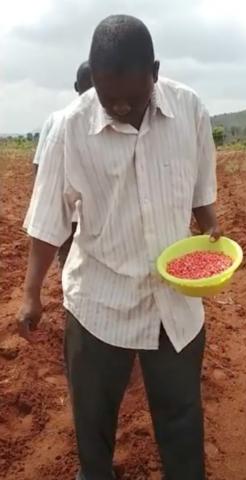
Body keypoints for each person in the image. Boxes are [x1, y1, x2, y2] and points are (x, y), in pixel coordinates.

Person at [18, 15, 220, 480]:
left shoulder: (189, 109)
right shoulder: (70, 128)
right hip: (99, 301)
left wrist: (212, 228)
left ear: (155, 70)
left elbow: (201, 185)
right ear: (93, 76)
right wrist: (32, 292)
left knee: (182, 416)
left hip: (174, 303)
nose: (123, 107)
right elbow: (48, 219)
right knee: (93, 425)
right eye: (111, 99)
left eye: (134, 96)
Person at [32, 61, 92, 268]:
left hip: (68, 213)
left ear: (76, 86)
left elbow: (40, 166)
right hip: (94, 215)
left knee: (69, 264)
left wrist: (45, 204)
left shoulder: (56, 119)